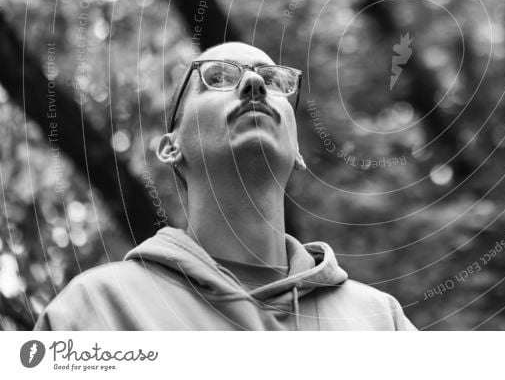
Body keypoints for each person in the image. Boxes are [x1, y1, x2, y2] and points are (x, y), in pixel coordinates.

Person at [34, 42, 416, 330]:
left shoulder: (382, 320)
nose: (254, 83)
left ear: (298, 151)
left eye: (272, 80)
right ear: (171, 148)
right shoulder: (96, 310)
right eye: (217, 77)